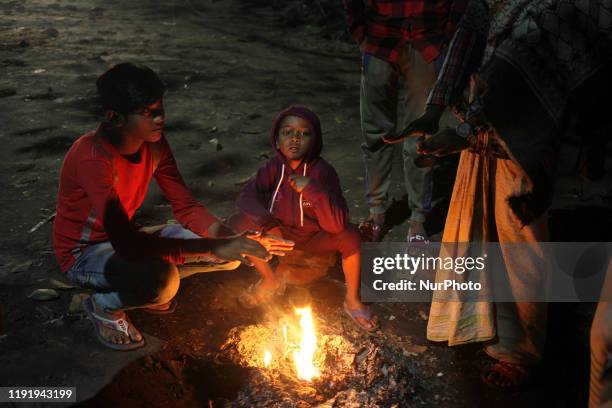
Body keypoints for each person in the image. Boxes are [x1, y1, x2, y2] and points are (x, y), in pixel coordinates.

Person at [388, 0, 612, 391]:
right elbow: (467, 39)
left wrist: (461, 135)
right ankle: (480, 320)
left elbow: (530, 75)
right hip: (486, 117)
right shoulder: (492, 3)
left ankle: (521, 349)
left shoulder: (549, 11)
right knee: (475, 222)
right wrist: (435, 109)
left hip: (532, 124)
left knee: (518, 235)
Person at [53, 63, 293, 351]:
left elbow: (186, 207)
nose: (159, 118)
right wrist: (212, 246)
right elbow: (126, 243)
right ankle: (105, 307)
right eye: (147, 112)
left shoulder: (154, 144)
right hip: (84, 254)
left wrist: (232, 240)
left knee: (229, 256)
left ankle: (142, 284)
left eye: (160, 108)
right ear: (114, 116)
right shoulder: (92, 157)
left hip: (127, 239)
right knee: (163, 282)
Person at [229, 106, 378, 332]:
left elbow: (336, 225)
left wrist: (312, 189)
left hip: (315, 240)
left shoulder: (323, 172)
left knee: (349, 236)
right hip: (283, 237)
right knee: (239, 222)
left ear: (315, 140)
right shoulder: (274, 167)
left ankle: (352, 300)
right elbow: (247, 196)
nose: (295, 139)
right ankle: (269, 280)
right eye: (287, 132)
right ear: (276, 139)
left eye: (304, 133)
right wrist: (268, 223)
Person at [342, 0, 467, 242]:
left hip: (427, 40)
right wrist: (361, 36)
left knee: (420, 139)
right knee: (376, 134)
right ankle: (377, 213)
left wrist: (446, 40)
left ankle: (418, 220)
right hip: (380, 39)